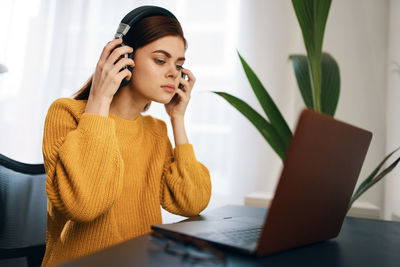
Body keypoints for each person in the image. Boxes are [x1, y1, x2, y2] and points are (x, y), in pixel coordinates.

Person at [41, 6, 211, 266]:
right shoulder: (66, 113)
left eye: (179, 65)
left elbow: (192, 202)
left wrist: (177, 120)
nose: (173, 73)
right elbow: (84, 205)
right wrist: (99, 98)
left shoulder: (156, 131)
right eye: (160, 60)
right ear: (124, 56)